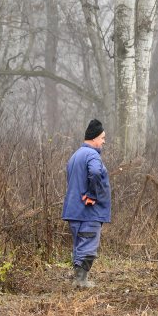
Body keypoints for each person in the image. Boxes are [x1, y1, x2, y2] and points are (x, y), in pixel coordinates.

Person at [61, 119, 111, 288]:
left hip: (74, 211)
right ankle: (81, 281)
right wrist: (92, 194)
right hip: (88, 212)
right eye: (102, 138)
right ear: (95, 138)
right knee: (88, 244)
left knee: (79, 245)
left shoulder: (75, 155)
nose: (104, 141)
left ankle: (78, 279)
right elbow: (96, 172)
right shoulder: (92, 155)